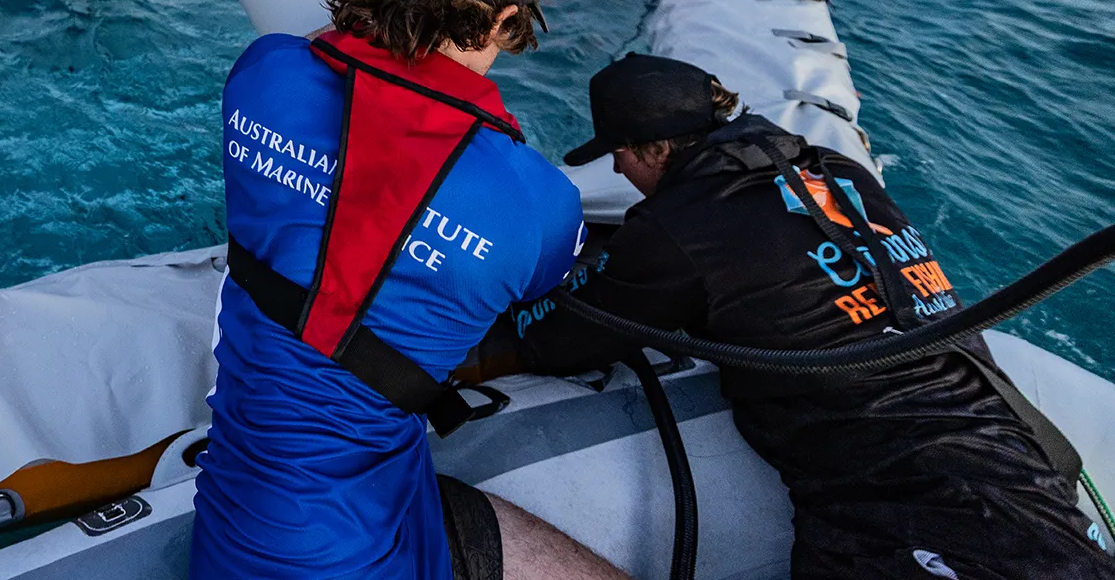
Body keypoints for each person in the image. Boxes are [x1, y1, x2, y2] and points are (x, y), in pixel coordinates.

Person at [463, 53, 1115, 580]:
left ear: (659, 147)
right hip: (1017, 450)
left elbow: (556, 340)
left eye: (621, 153)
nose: (618, 167)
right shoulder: (840, 170)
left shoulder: (684, 225)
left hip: (902, 497)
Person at [191, 0, 627, 580]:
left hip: (232, 521)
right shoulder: (538, 203)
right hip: (354, 551)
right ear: (509, 21)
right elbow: (534, 288)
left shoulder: (262, 73)